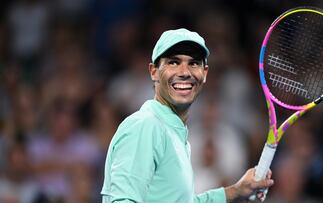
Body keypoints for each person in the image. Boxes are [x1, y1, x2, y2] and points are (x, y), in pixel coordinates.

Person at [101, 28, 274, 203]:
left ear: (204, 73)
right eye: (173, 62)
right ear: (153, 71)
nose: (184, 72)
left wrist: (235, 191)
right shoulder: (145, 126)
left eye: (193, 63)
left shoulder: (171, 131)